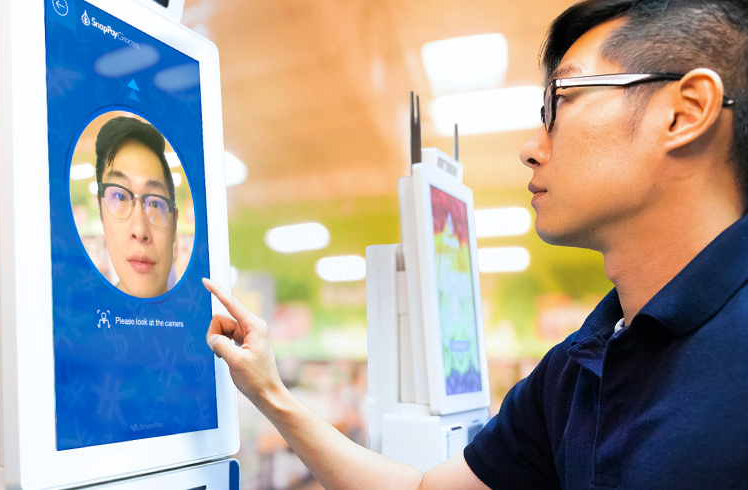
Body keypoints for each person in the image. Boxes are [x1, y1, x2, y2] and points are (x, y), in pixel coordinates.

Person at [202, 0, 748, 488]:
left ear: (684, 111)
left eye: (564, 100)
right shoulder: (576, 369)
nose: (532, 148)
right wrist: (270, 392)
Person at [95, 116, 178, 298]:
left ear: (175, 225)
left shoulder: (205, 324)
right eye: (120, 196)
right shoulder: (83, 322)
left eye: (155, 203)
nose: (140, 230)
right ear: (101, 212)